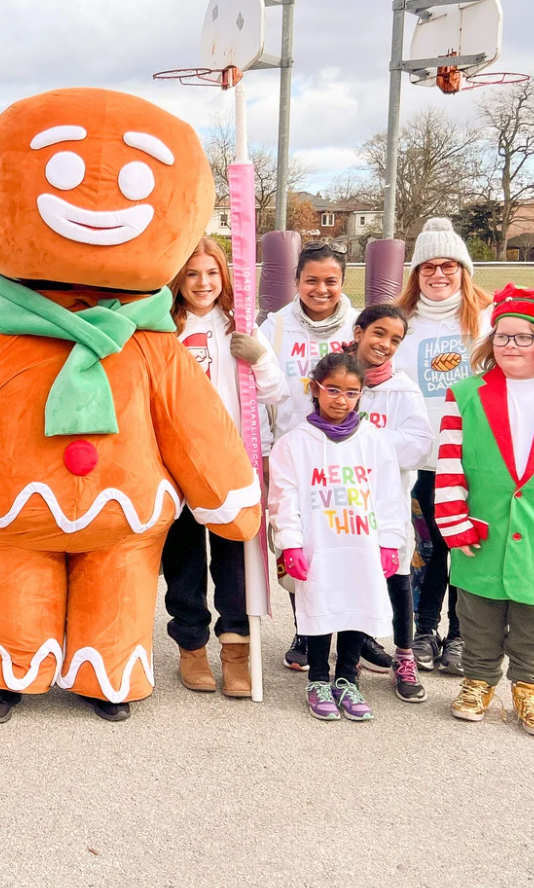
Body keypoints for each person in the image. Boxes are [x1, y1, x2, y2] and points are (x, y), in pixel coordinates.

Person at [0, 88, 261, 725]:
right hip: (3, 507)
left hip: (120, 513)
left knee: (116, 588)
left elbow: (193, 418)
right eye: (63, 172)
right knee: (2, 588)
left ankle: (105, 673)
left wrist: (228, 490)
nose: (99, 202)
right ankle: (4, 672)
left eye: (135, 180)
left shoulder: (153, 341)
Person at [164, 237, 286, 697]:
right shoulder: (162, 327)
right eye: (192, 274)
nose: (202, 283)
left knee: (234, 560)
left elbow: (277, 394)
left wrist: (259, 359)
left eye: (211, 273)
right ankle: (191, 647)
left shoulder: (241, 324)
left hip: (232, 463)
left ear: (224, 277)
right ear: (179, 278)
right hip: (178, 463)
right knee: (184, 560)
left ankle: (236, 650)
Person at [268, 352, 407, 722]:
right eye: (332, 390)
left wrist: (390, 541)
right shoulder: (295, 443)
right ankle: (317, 678)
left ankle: (346, 677)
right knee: (319, 607)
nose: (340, 399)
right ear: (315, 389)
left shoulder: (375, 442)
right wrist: (290, 542)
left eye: (351, 392)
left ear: (361, 394)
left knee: (354, 605)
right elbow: (283, 496)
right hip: (319, 545)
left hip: (361, 544)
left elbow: (390, 495)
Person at [435, 285, 534, 736]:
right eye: (502, 336)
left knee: (531, 615)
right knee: (478, 612)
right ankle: (477, 680)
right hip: (483, 524)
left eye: (522, 337)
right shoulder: (465, 394)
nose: (510, 345)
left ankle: (528, 687)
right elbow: (451, 462)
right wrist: (454, 521)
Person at [395, 217, 492, 675]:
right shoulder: (402, 322)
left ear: (463, 271)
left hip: (473, 458)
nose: (438, 275)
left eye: (448, 266)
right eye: (428, 267)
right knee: (426, 550)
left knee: (468, 549)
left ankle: (461, 635)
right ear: (415, 273)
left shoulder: (486, 320)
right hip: (421, 460)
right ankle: (424, 628)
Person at [260, 240, 359, 671]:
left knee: (347, 543)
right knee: (297, 542)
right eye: (312, 280)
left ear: (342, 283)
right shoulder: (275, 328)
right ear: (297, 281)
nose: (321, 289)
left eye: (330, 281)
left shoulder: (358, 327)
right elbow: (257, 397)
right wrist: (265, 449)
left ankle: (356, 631)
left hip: (347, 454)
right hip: (294, 452)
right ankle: (305, 628)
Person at [349, 305, 433, 700]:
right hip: (343, 499)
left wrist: (367, 444)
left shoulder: (403, 389)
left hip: (387, 502)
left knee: (396, 577)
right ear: (360, 330)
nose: (384, 345)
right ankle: (347, 659)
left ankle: (403, 655)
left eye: (395, 340)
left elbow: (418, 445)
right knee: (349, 576)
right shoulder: (337, 377)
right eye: (378, 334)